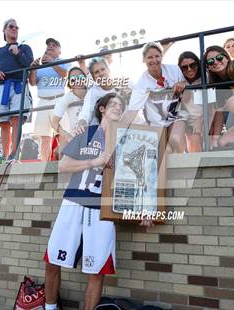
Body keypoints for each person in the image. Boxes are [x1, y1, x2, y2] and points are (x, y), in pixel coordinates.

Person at [43, 93, 152, 310]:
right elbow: (63, 166)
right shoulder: (87, 133)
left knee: (96, 270)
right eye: (113, 104)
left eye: (122, 106)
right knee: (52, 262)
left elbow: (140, 177)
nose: (118, 108)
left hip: (102, 210)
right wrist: (94, 161)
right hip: (74, 203)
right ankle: (49, 308)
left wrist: (145, 207)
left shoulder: (129, 140)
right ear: (101, 109)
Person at [120, 42, 188, 153]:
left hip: (176, 116)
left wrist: (182, 83)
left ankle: (185, 162)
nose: (154, 60)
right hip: (157, 123)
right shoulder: (142, 82)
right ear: (144, 60)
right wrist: (116, 131)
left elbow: (187, 88)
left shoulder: (174, 70)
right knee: (166, 150)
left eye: (157, 56)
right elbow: (131, 112)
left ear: (162, 56)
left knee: (175, 138)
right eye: (149, 57)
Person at [0, 18, 33, 162]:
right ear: (4, 30)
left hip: (19, 85)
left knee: (16, 119)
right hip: (2, 87)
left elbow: (29, 66)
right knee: (3, 122)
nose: (14, 29)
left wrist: (17, 53)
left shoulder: (25, 48)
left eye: (16, 27)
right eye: (11, 26)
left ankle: (14, 154)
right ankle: (4, 156)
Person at [29, 38, 70, 161]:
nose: (50, 47)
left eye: (54, 45)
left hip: (58, 100)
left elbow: (65, 74)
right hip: (42, 102)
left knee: (62, 134)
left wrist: (53, 62)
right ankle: (44, 165)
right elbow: (32, 82)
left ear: (59, 51)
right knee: (44, 137)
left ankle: (63, 162)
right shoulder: (41, 65)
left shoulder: (64, 61)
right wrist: (33, 69)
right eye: (48, 45)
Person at [75, 58, 130, 133]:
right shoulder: (93, 92)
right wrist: (81, 122)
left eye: (103, 69)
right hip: (101, 131)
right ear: (94, 78)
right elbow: (86, 110)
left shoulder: (124, 86)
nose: (101, 74)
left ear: (109, 70)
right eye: (96, 72)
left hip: (122, 129)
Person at [50, 67, 87, 154]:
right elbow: (54, 122)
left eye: (80, 77)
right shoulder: (67, 98)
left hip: (95, 135)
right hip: (77, 138)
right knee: (57, 153)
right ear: (70, 83)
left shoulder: (92, 93)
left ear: (85, 78)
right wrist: (68, 136)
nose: (77, 81)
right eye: (73, 79)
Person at [177, 51, 204, 152]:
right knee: (193, 143)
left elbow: (212, 106)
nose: (189, 69)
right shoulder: (179, 81)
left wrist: (200, 121)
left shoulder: (206, 78)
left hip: (206, 116)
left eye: (193, 65)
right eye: (184, 67)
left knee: (209, 143)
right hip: (188, 120)